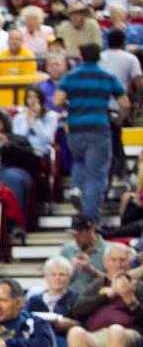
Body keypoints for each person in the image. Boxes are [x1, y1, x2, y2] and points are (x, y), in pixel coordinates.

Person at [55, 43, 129, 224]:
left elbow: (57, 101)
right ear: (99, 57)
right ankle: (90, 220)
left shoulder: (70, 77)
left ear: (80, 56)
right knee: (96, 175)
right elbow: (125, 103)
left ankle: (77, 189)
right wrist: (119, 119)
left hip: (75, 129)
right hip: (98, 129)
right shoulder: (107, 77)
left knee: (79, 163)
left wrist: (72, 106)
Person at [67, 243, 143, 347]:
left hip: (129, 336)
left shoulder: (138, 286)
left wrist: (131, 300)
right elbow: (77, 309)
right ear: (105, 263)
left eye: (122, 260)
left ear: (130, 264)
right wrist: (108, 295)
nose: (118, 264)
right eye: (113, 260)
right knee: (75, 333)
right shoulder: (98, 284)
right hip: (97, 337)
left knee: (115, 331)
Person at [26, 255, 78, 347]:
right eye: (53, 274)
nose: (57, 278)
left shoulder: (74, 298)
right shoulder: (35, 299)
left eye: (61, 274)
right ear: (46, 277)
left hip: (63, 339)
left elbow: (82, 323)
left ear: (69, 277)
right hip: (37, 338)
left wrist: (68, 323)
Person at [61, 214, 110, 297]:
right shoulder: (67, 249)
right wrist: (71, 270)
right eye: (74, 234)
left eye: (80, 234)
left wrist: (92, 271)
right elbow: (55, 280)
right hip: (70, 299)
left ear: (92, 230)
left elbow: (115, 282)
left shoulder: (110, 250)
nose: (76, 238)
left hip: (99, 300)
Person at [12, 86, 59, 158]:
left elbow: (47, 140)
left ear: (41, 99)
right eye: (29, 97)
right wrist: (27, 121)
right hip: (22, 151)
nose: (32, 101)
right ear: (25, 100)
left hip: (41, 150)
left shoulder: (51, 116)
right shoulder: (18, 117)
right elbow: (18, 139)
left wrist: (35, 120)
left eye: (36, 97)